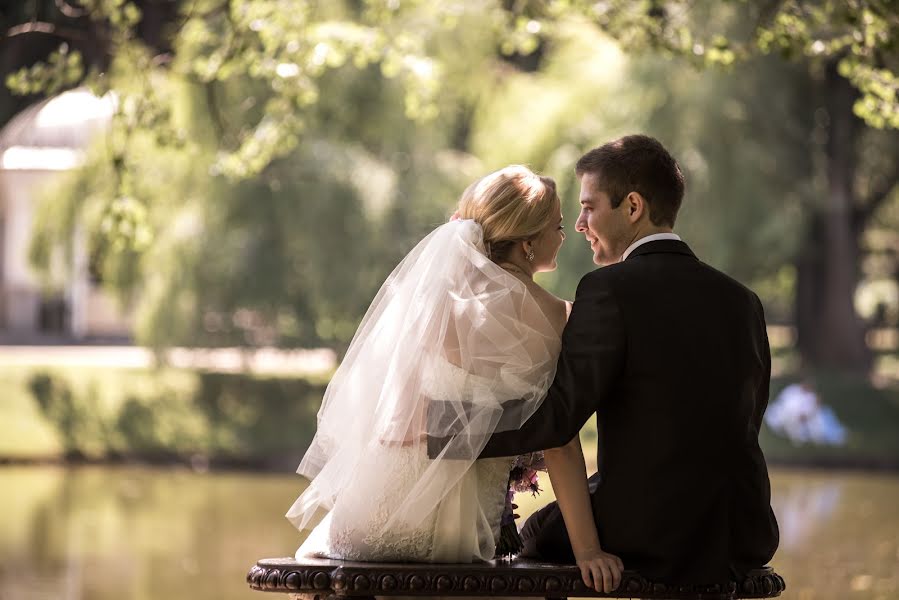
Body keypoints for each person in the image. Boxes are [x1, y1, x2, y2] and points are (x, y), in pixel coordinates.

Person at [286, 165, 621, 591]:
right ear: (528, 242)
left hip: (368, 518)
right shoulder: (557, 317)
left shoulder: (432, 302)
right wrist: (588, 552)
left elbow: (399, 426)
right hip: (457, 531)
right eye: (556, 226)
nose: (564, 234)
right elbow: (560, 440)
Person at [469, 135, 780, 587]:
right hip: (743, 528)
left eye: (590, 207)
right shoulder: (743, 301)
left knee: (536, 531)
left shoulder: (608, 290)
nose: (579, 224)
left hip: (649, 531)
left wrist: (446, 433)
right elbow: (747, 419)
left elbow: (557, 419)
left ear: (632, 207)